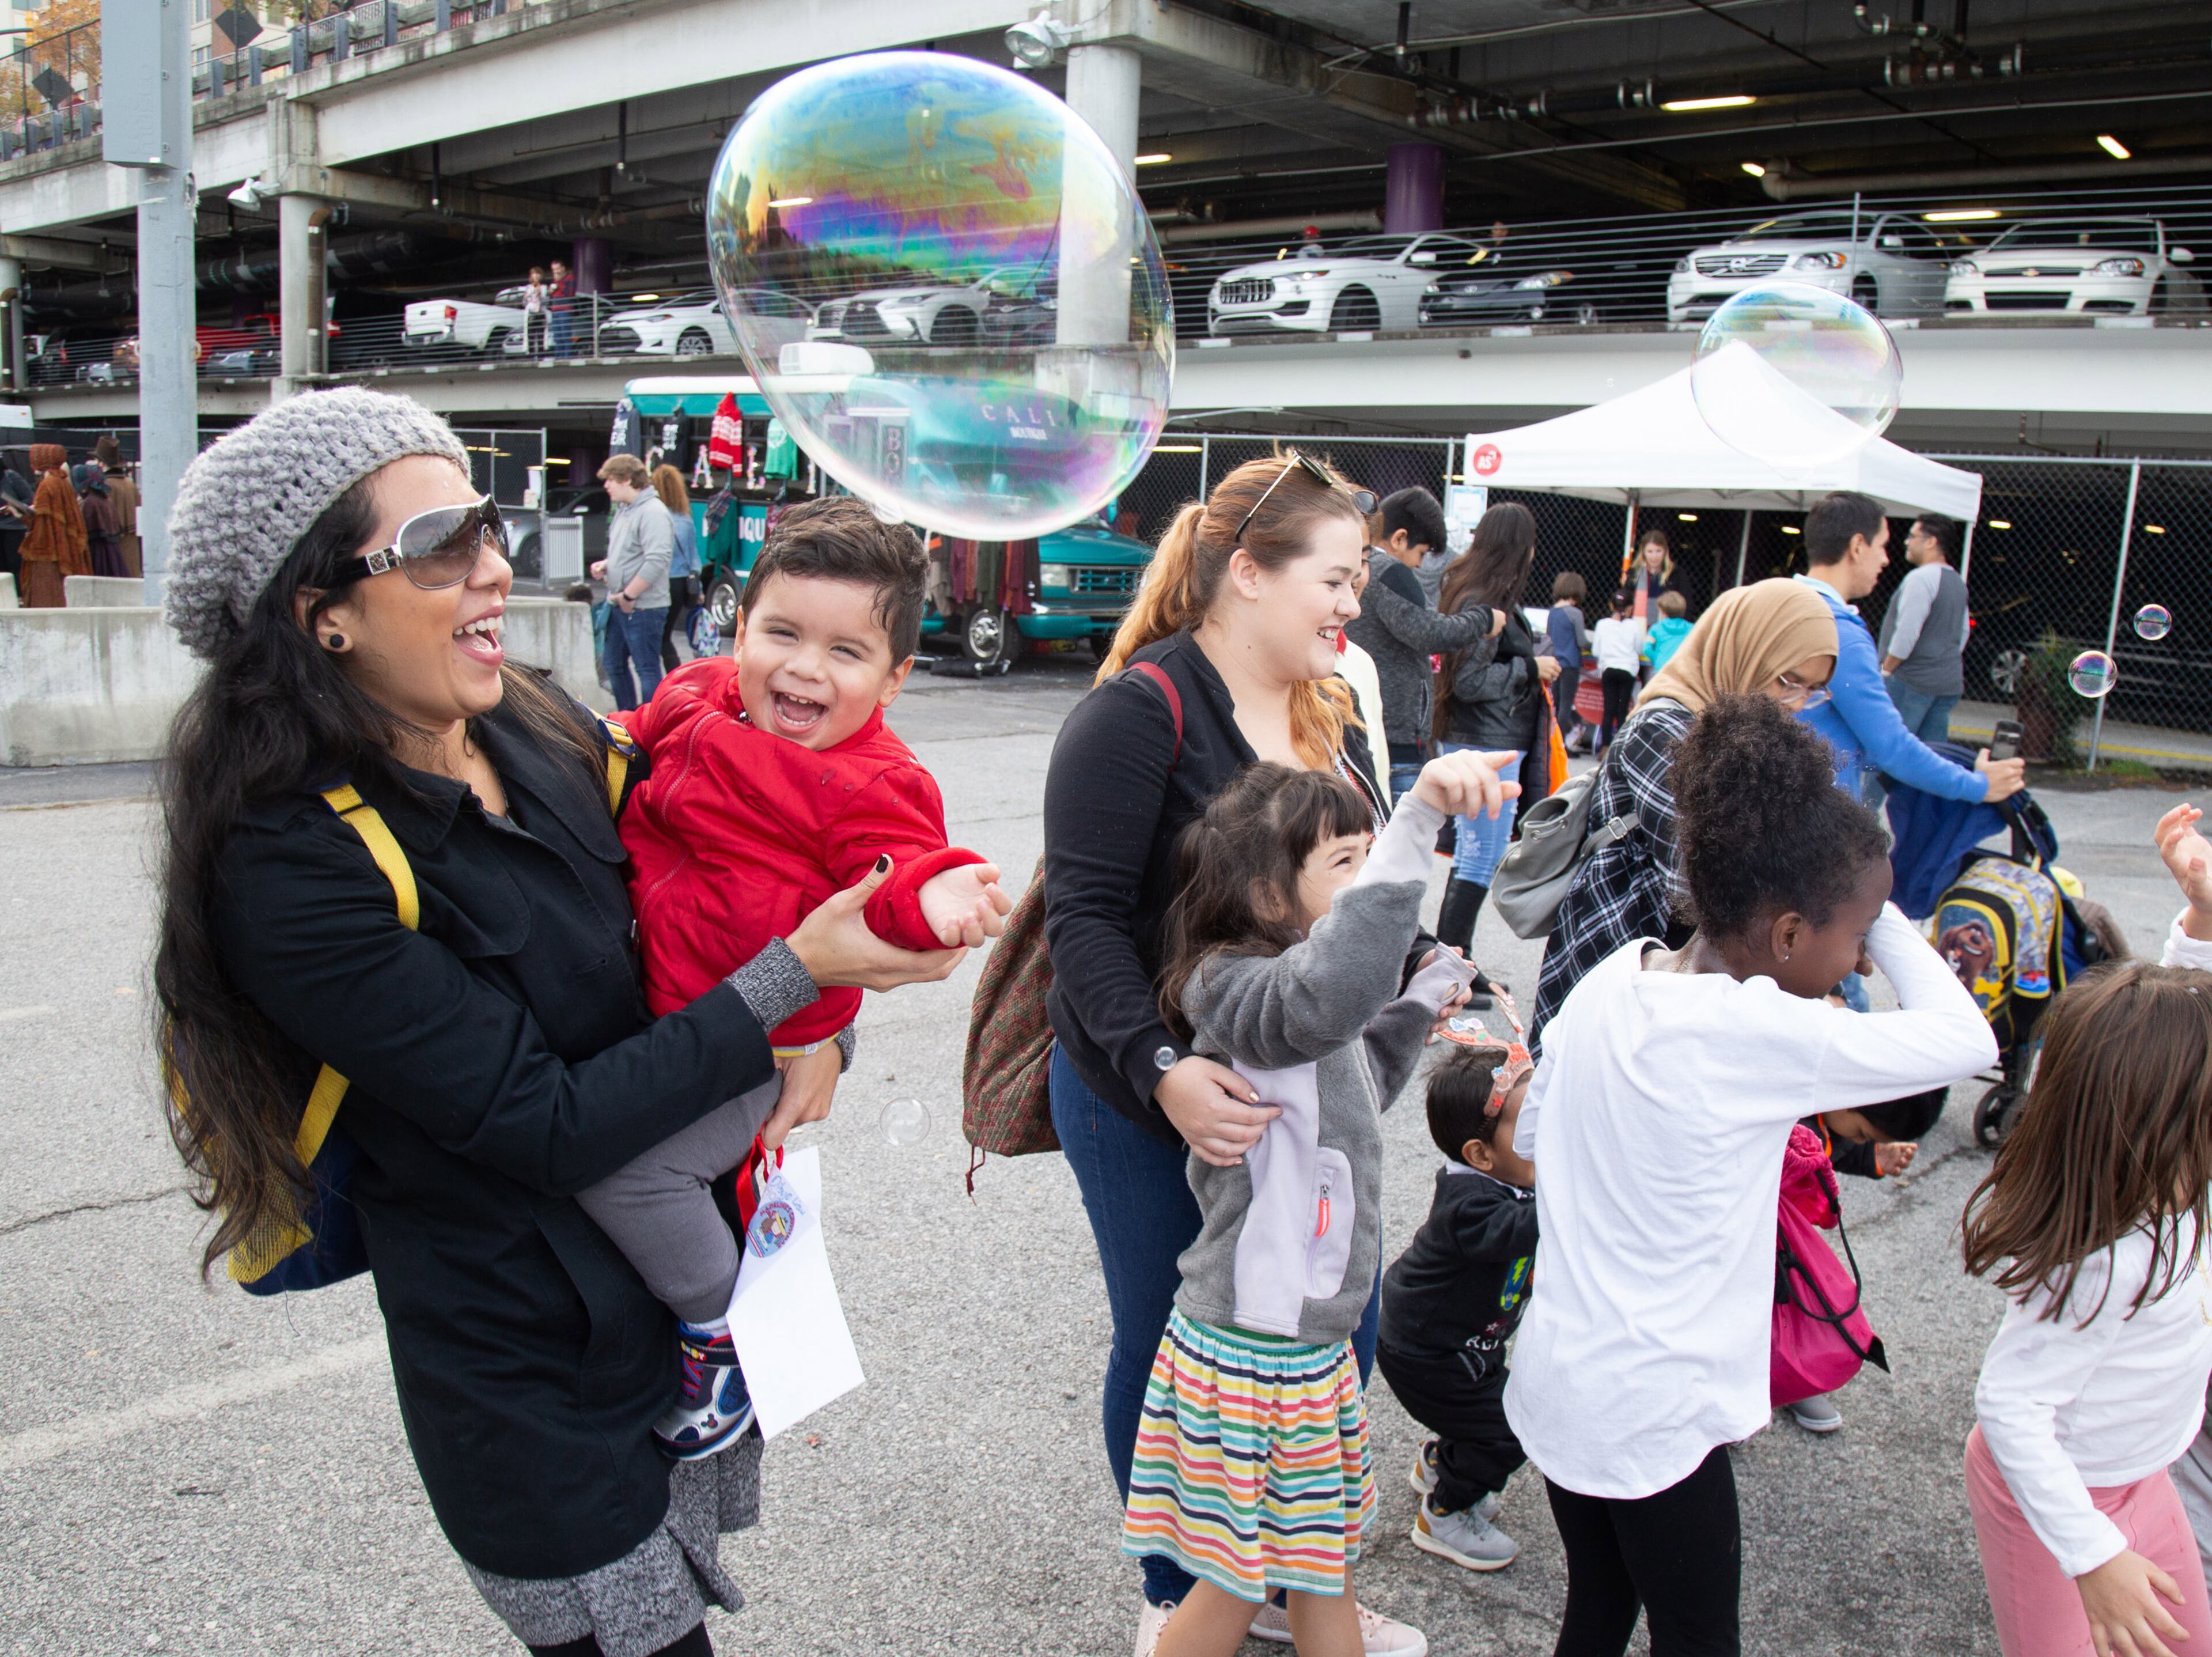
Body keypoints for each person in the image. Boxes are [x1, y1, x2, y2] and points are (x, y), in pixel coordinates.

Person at [150, 386, 961, 1657]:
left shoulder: (518, 715)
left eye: (484, 519)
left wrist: (825, 1024)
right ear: (324, 618)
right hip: (530, 1380)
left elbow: (724, 870)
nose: (493, 562)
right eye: (434, 546)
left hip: (665, 1323)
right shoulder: (290, 861)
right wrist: (794, 984)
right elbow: (546, 1124)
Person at [1508, 693, 1995, 1657]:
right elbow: (1964, 1034)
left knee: (1597, 1612)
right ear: (1783, 935)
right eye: (1850, 940)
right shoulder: (1758, 1031)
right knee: (1700, 1640)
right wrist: (1888, 903)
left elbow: (1535, 1128)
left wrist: (1848, 886)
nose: (1857, 959)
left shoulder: (1619, 979)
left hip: (1563, 1384)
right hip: (1657, 1418)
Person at [1041, 453, 1429, 1657]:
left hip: (1301, 1087)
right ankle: (1178, 1587)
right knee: (1177, 1332)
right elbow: (1085, 924)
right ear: (1248, 573)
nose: (1354, 603)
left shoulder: (1336, 706)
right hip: (1148, 1087)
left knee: (1325, 1329)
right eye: (1336, 576)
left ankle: (1271, 1569)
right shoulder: (1136, 711)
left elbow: (1354, 894)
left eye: (1362, 580)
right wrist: (1163, 1068)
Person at [592, 497, 1008, 1459]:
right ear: (738, 629)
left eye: (845, 652)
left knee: (631, 1176)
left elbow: (901, 870)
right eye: (781, 633)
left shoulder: (871, 781)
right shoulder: (695, 698)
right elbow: (628, 736)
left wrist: (939, 894)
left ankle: (718, 1336)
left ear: (896, 678)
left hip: (762, 1042)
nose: (804, 668)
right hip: (674, 1013)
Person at [1128, 752, 1503, 1657]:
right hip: (1255, 1343)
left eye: (1373, 856)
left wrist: (1416, 999)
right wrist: (1415, 826)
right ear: (1266, 897)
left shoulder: (1294, 991)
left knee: (1320, 1568)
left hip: (1305, 1341)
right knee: (1234, 1582)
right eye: (1349, 863)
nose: (1374, 880)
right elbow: (1328, 998)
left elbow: (1355, 1083)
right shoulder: (1240, 989)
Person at [1961, 803, 2212, 1657]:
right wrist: (2095, 1557)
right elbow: (2011, 1405)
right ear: (2176, 1119)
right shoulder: (2105, 1257)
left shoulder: (2178, 1173)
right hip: (2053, 1503)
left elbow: (2170, 1034)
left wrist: (2202, 920)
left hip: (2143, 1479)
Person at [1528, 578, 1839, 1053]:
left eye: (1813, 690)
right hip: (1624, 965)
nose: (1796, 702)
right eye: (1787, 680)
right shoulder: (1667, 729)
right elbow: (1700, 883)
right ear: (1744, 648)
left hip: (1685, 981)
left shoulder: (1752, 742)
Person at [1378, 1042, 1537, 1575]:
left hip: (1462, 1339)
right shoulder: (1470, 1205)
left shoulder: (1511, 1178)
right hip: (1427, 1353)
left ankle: (1444, 1459)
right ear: (1479, 1155)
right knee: (1513, 1426)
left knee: (1486, 1407)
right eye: (1531, 1124)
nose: (1548, 1133)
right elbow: (1520, 1232)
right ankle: (1445, 1512)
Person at [1795, 490, 2023, 811]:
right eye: (1883, 545)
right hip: (1823, 816)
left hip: (1773, 800)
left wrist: (1890, 665)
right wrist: (1979, 785)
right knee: (1915, 757)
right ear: (1858, 546)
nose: (1887, 558)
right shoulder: (1842, 633)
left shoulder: (1766, 606)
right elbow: (1892, 749)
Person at [1434, 502, 1556, 963]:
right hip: (1487, 740)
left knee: (1474, 855)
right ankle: (1452, 963)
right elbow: (1468, 682)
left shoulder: (1485, 593)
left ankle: (1454, 960)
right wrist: (1530, 667)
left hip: (1488, 738)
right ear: (1518, 547)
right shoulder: (1485, 600)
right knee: (1481, 856)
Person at [1342, 484, 1497, 804]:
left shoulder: (1365, 573)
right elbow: (1428, 631)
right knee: (1401, 845)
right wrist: (1483, 620)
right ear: (1398, 539)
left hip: (1372, 731)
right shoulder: (1390, 572)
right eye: (1422, 554)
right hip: (1396, 737)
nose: (1420, 566)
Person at [1878, 512, 1970, 746]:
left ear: (1931, 542)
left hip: (1911, 682)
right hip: (1947, 682)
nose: (1907, 542)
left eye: (1913, 536)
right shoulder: (1957, 581)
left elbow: (1907, 632)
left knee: (1891, 754)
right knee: (1932, 756)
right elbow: (1963, 632)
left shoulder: (1921, 579)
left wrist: (1887, 671)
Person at [590, 454, 673, 710]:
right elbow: (633, 553)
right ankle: (627, 718)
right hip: (621, 603)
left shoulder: (653, 512)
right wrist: (608, 564)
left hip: (641, 606)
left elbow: (658, 559)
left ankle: (650, 723)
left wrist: (629, 595)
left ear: (627, 480)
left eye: (610, 480)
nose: (606, 486)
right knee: (613, 663)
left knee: (646, 667)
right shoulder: (625, 510)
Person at [17, 442, 86, 607]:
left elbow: (42, 526)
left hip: (49, 552)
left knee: (46, 595)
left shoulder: (47, 485)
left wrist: (21, 514)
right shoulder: (62, 481)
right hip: (63, 546)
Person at [652, 463, 701, 674]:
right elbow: (693, 557)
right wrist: (698, 589)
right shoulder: (685, 519)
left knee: (657, 637)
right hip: (681, 583)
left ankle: (670, 679)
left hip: (660, 582)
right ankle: (677, 676)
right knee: (666, 635)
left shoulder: (656, 517)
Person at [1588, 587, 1644, 753]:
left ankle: (1605, 747)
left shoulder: (1602, 624)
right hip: (1628, 670)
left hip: (1609, 669)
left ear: (1611, 606)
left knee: (1608, 708)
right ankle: (1619, 749)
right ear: (1630, 608)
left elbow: (1596, 651)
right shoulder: (1634, 626)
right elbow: (1639, 650)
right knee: (1622, 710)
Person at [1544, 571, 1592, 748]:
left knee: (1555, 704)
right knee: (1566, 704)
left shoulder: (1552, 612)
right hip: (1570, 664)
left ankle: (1550, 741)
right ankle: (1561, 744)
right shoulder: (1575, 613)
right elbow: (1582, 641)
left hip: (1554, 663)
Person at [94, 434, 139, 578]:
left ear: (102, 463)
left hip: (114, 545)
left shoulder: (106, 486)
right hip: (132, 544)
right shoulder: (130, 484)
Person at [76, 462, 125, 578]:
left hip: (98, 553)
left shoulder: (91, 502)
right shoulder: (105, 500)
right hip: (112, 554)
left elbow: (85, 529)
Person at [1629, 527, 1680, 626]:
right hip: (1637, 627)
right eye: (1650, 552)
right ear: (1643, 552)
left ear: (1665, 551)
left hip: (1667, 629)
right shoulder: (1634, 573)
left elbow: (1685, 605)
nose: (1654, 556)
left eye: (1658, 551)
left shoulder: (1676, 574)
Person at [1641, 589, 1691, 675]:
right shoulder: (1691, 628)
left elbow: (1647, 648)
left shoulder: (1656, 629)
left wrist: (1657, 659)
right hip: (1682, 669)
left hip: (1662, 669)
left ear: (1663, 612)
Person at [548, 258, 577, 357]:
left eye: (558, 269)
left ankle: (567, 357)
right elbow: (551, 296)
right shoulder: (554, 281)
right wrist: (550, 292)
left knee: (565, 335)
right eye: (554, 270)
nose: (556, 272)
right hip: (555, 310)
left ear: (563, 268)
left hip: (565, 310)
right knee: (557, 336)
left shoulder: (570, 278)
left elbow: (570, 293)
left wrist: (559, 283)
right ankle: (558, 357)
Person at [523, 265, 550, 357]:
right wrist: (526, 298)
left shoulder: (545, 288)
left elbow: (548, 303)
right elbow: (523, 303)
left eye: (538, 274)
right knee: (530, 334)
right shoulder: (528, 288)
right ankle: (531, 354)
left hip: (541, 313)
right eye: (534, 274)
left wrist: (541, 296)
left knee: (541, 334)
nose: (536, 276)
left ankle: (542, 354)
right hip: (531, 314)